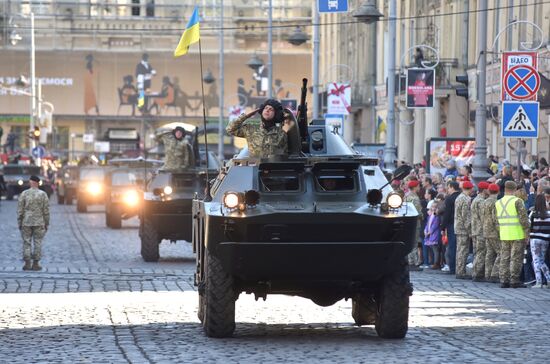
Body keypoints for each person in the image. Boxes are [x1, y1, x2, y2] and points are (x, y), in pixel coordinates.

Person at [226, 98, 294, 158]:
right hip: (253, 169)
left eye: (271, 109)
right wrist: (246, 116)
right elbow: (230, 129)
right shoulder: (251, 129)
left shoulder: (281, 134)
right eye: (266, 108)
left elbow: (284, 155)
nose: (267, 110)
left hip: (272, 170)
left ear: (276, 114)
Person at [497, 181, 530, 288]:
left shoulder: (498, 202)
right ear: (515, 189)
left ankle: (504, 280)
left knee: (504, 257)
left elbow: (495, 220)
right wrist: (527, 232)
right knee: (516, 257)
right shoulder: (518, 201)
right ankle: (514, 280)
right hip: (517, 233)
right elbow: (523, 219)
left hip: (504, 233)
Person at [17, 175, 50, 271]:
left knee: (26, 242)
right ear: (38, 183)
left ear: (30, 182)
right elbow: (46, 210)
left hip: (26, 222)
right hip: (39, 222)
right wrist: (46, 223)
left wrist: (19, 222)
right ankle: (36, 264)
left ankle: (27, 264)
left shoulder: (24, 194)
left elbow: (20, 210)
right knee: (38, 242)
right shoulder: (43, 194)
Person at [529, 191, 550, 288]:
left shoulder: (533, 214)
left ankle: (539, 282)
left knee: (536, 260)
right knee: (541, 260)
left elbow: (529, 226)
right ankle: (548, 279)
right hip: (545, 239)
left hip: (535, 239)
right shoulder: (548, 214)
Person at [441, 181, 461, 274]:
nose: (447, 190)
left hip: (451, 224)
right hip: (461, 224)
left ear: (452, 187)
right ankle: (460, 268)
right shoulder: (461, 197)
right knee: (460, 247)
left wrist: (442, 226)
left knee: (452, 247)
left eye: (448, 188)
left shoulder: (449, 199)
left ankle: (452, 268)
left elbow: (447, 214)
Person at [454, 181, 473, 279]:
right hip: (463, 228)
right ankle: (461, 272)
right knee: (463, 250)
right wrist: (470, 230)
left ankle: (459, 270)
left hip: (458, 227)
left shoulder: (459, 198)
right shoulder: (465, 199)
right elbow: (466, 216)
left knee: (460, 250)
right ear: (469, 189)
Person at [483, 183, 501, 283]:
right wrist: (500, 230)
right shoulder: (496, 202)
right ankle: (495, 274)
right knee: (501, 252)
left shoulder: (485, 201)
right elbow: (495, 218)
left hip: (486, 230)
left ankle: (487, 274)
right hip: (494, 231)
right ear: (498, 191)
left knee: (489, 253)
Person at [471, 182, 489, 281]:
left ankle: (475, 272)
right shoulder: (481, 201)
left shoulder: (475, 200)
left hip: (475, 230)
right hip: (480, 230)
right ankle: (478, 274)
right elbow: (483, 217)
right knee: (481, 252)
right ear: (484, 190)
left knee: (477, 252)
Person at [405, 179, 424, 269]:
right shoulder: (415, 198)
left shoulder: (406, 196)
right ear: (415, 187)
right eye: (418, 186)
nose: (419, 188)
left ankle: (409, 261)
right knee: (414, 242)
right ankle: (414, 262)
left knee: (409, 241)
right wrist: (422, 217)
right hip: (415, 223)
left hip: (407, 222)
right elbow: (418, 212)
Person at [424, 201, 441, 269]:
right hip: (429, 234)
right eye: (432, 206)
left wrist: (429, 232)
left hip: (434, 234)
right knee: (432, 249)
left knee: (435, 249)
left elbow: (435, 225)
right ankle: (433, 262)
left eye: (435, 207)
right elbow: (427, 224)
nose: (433, 208)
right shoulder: (430, 216)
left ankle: (436, 263)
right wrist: (425, 231)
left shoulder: (437, 216)